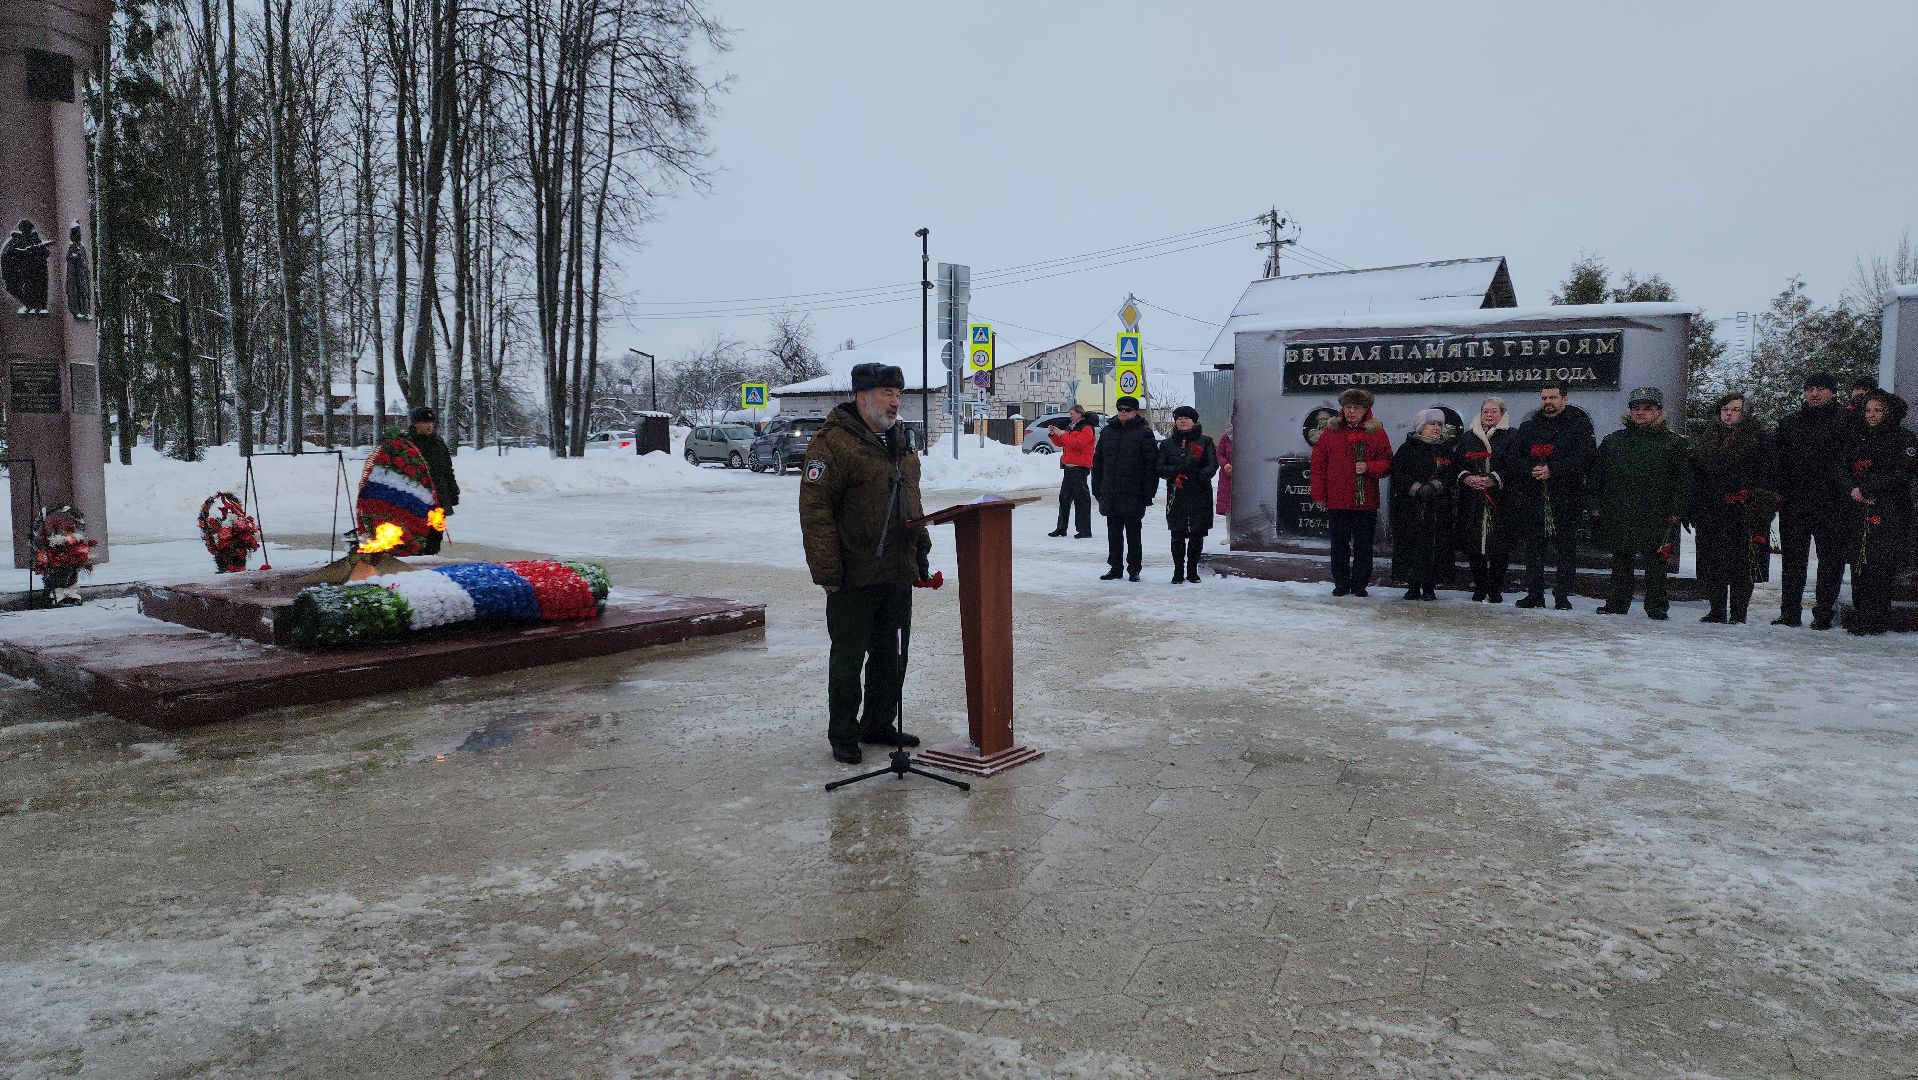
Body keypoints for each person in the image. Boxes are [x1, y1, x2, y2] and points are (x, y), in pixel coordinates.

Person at [798, 363, 937, 764]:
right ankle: (843, 732)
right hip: (852, 573)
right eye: (885, 394)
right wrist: (828, 573)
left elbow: (912, 503)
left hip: (895, 570)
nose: (895, 402)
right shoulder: (833, 444)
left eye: (897, 394)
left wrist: (920, 551)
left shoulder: (902, 443)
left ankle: (878, 722)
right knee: (848, 657)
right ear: (862, 397)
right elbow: (815, 510)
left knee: (889, 656)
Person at [1589, 387, 1690, 620]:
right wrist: (1595, 503)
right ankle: (1617, 602)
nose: (1641, 413)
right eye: (1636, 408)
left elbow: (1683, 481)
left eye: (1647, 408)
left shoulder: (1674, 444)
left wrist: (1676, 510)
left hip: (1657, 513)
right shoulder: (1613, 441)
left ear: (1658, 411)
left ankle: (1656, 606)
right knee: (1621, 561)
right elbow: (1597, 477)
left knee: (1656, 564)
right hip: (1620, 511)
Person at [1498, 381, 1597, 610]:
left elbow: (1585, 457)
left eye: (1552, 398)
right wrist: (1530, 469)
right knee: (1533, 549)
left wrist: (1553, 470)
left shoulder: (1579, 425)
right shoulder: (1529, 427)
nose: (1548, 403)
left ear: (1564, 399)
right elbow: (1514, 458)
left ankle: (1562, 595)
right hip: (1534, 497)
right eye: (1544, 398)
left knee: (1565, 549)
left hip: (1566, 497)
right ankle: (1535, 594)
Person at [1772, 371, 1854, 629]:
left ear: (1833, 392)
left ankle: (1823, 613)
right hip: (1795, 502)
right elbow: (1778, 462)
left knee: (1830, 561)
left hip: (1833, 503)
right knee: (1793, 561)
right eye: (1810, 389)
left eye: (1821, 388)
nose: (1815, 394)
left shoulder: (1846, 422)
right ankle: (1790, 612)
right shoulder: (1790, 423)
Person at [1688, 392, 1776, 624]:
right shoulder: (1707, 437)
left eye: (1735, 409)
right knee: (1713, 560)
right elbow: (1697, 475)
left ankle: (1739, 613)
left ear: (1745, 412)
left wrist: (1758, 501)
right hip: (1713, 510)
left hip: (1745, 510)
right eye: (1725, 409)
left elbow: (1770, 476)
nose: (1729, 414)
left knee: (1743, 562)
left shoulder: (1759, 439)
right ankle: (1716, 610)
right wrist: (1695, 505)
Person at [1309, 387, 1393, 597]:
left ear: (1366, 409)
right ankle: (1341, 583)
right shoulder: (1330, 432)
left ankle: (1360, 584)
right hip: (1337, 500)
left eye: (1356, 408)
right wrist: (1319, 495)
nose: (1351, 412)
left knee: (1364, 546)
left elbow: (1387, 463)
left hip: (1365, 501)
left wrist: (1369, 467)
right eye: (1348, 407)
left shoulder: (1377, 431)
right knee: (1339, 545)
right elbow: (1318, 465)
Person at [1845, 390, 1911, 635]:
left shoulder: (1903, 438)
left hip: (1889, 507)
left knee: (1880, 565)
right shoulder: (1857, 437)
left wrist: (1868, 487)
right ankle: (1862, 615)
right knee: (1859, 563)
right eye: (1868, 410)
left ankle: (1876, 618)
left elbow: (1901, 473)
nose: (1871, 415)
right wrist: (1853, 488)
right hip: (1858, 506)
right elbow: (1842, 465)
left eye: (1878, 410)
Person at [1389, 409, 1458, 601]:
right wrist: (1416, 487)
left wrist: (1435, 486)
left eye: (1439, 425)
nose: (1436, 428)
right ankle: (1412, 585)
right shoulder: (1407, 448)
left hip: (1436, 506)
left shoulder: (1445, 449)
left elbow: (1450, 472)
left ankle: (1429, 586)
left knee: (1432, 546)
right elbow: (1397, 472)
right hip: (1411, 507)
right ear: (1421, 427)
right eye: (1432, 424)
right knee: (1412, 545)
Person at [1091, 396, 1160, 581]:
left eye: (1127, 410)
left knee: (1133, 534)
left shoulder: (1144, 433)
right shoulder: (1107, 432)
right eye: (1120, 409)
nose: (1123, 413)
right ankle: (1115, 567)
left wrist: (1148, 493)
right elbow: (1097, 463)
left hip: (1133, 493)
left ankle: (1134, 568)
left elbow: (1151, 466)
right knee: (1113, 533)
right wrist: (1096, 488)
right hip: (1110, 492)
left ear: (1136, 412)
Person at [1455, 396, 1511, 603]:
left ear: (1502, 414)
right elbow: (1457, 463)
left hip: (1500, 500)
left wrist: (1494, 479)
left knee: (1499, 545)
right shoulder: (1469, 437)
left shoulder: (1511, 436)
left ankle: (1495, 589)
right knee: (1474, 545)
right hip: (1473, 500)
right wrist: (1467, 478)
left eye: (1493, 411)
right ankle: (1479, 587)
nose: (1488, 415)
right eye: (1485, 411)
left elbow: (1513, 464)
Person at [1157, 405, 1218, 584]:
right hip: (1177, 494)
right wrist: (1175, 472)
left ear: (1194, 422)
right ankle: (1178, 571)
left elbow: (1212, 465)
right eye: (1179, 419)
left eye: (1186, 418)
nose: (1182, 421)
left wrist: (1198, 475)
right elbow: (1160, 467)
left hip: (1199, 493)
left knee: (1196, 533)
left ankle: (1192, 571)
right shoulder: (1167, 444)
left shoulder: (1205, 441)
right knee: (1177, 533)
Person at [406, 406, 460, 555]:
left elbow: (447, 470)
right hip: (416, 497)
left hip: (438, 497)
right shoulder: (407, 444)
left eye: (431, 422)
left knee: (435, 534)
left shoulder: (438, 442)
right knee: (417, 534)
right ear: (416, 424)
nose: (429, 425)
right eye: (424, 422)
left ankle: (431, 559)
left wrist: (453, 491)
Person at [1046, 405, 1096, 539]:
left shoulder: (1086, 428)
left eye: (1073, 413)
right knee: (1064, 498)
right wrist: (1054, 435)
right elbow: (1063, 443)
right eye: (1070, 414)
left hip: (1080, 467)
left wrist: (1062, 434)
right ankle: (1061, 528)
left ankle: (1084, 530)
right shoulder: (1071, 427)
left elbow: (1078, 443)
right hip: (1069, 467)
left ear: (1080, 414)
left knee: (1081, 500)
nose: (1071, 416)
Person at [1215, 424, 1234, 520]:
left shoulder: (1250, 436)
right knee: (1228, 509)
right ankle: (1230, 533)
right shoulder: (1226, 437)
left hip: (1245, 477)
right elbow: (1219, 454)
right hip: (1227, 476)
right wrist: (1225, 465)